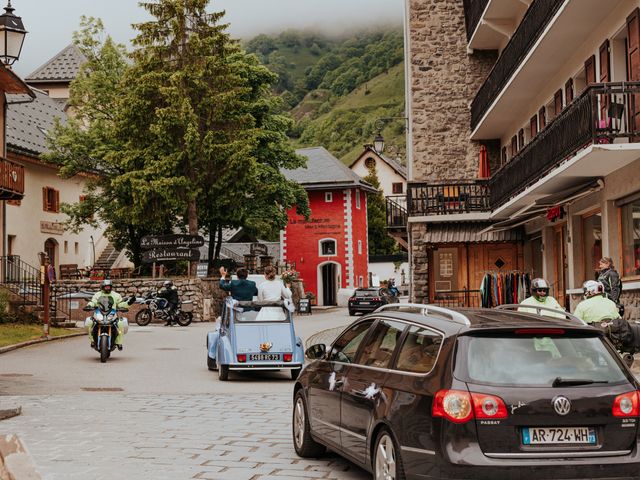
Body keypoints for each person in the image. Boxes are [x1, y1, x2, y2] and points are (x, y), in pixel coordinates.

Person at [86, 280, 130, 350]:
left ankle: (119, 342)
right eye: (106, 287)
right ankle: (92, 340)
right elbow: (93, 302)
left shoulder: (116, 295)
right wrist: (89, 305)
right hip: (99, 313)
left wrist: (128, 303)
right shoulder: (97, 294)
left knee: (121, 323)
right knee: (89, 322)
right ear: (102, 287)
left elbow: (121, 304)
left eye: (109, 287)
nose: (107, 288)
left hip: (112, 313)